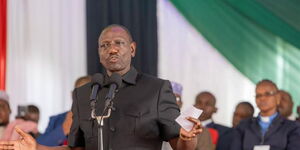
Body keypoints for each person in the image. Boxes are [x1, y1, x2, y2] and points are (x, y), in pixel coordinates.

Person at [0, 24, 202, 150]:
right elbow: (77, 148)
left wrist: (187, 138)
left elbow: (182, 146)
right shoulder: (84, 94)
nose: (112, 49)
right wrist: (37, 148)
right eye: (104, 45)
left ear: (132, 49)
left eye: (119, 43)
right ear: (99, 52)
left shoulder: (157, 89)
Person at [230, 79, 300, 150]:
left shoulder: (292, 127)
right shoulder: (244, 126)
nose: (262, 98)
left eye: (267, 94)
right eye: (258, 95)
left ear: (278, 98)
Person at [36, 76, 91, 146]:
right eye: (79, 93)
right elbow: (37, 146)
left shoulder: (102, 119)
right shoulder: (56, 120)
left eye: (87, 94)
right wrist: (63, 129)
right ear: (72, 95)